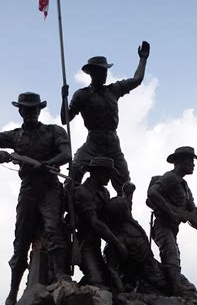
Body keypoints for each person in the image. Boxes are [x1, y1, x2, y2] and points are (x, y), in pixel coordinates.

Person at [0, 92, 70, 305]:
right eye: (26, 109)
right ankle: (13, 291)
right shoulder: (15, 136)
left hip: (49, 186)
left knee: (53, 229)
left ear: (39, 110)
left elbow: (67, 153)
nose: (30, 113)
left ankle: (60, 275)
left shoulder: (53, 131)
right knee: (21, 240)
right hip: (28, 189)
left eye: (34, 109)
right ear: (20, 111)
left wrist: (50, 162)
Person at [61, 42, 150, 195]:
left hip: (112, 142)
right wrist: (64, 99)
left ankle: (124, 214)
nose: (104, 74)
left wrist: (143, 59)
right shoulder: (82, 95)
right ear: (93, 73)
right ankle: (71, 208)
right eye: (101, 71)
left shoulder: (114, 90)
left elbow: (137, 80)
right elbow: (65, 119)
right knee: (75, 171)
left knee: (125, 183)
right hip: (93, 142)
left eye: (105, 71)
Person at [147, 146, 197, 295]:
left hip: (172, 228)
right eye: (190, 160)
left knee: (174, 253)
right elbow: (152, 193)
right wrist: (169, 211)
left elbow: (192, 214)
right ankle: (176, 287)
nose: (193, 164)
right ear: (179, 161)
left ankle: (175, 284)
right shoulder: (170, 178)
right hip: (162, 225)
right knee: (171, 253)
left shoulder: (185, 187)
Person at [73, 157, 128, 286]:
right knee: (96, 279)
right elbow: (95, 222)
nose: (109, 177)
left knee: (108, 279)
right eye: (107, 173)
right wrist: (117, 243)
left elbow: (107, 218)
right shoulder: (82, 192)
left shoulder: (105, 192)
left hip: (97, 242)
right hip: (84, 243)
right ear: (96, 172)